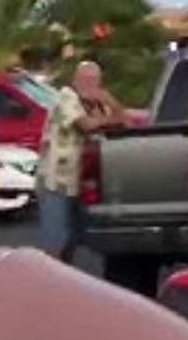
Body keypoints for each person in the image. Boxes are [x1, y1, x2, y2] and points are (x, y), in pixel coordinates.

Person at [33, 60, 126, 262]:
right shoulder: (66, 97)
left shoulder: (98, 104)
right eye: (85, 79)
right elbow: (85, 125)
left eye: (94, 80)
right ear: (75, 80)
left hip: (78, 182)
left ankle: (64, 286)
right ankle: (48, 286)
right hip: (55, 180)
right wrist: (109, 118)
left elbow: (123, 121)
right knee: (55, 241)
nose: (90, 84)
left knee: (71, 242)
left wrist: (110, 101)